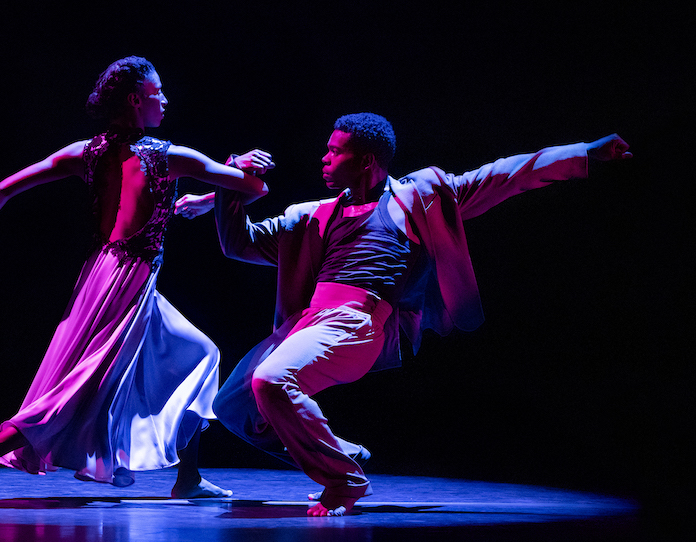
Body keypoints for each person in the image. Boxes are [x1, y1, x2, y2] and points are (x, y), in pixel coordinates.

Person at [176, 112, 631, 516]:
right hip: (307, 323)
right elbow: (239, 243)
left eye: (336, 152)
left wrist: (585, 155)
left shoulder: (418, 199)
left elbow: (504, 175)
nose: (325, 159)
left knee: (271, 380)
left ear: (368, 160)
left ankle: (344, 480)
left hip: (356, 323)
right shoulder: (311, 216)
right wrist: (229, 186)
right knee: (232, 406)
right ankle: (339, 454)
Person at [0, 56, 269, 508]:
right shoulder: (168, 156)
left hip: (100, 275)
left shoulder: (86, 152)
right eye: (158, 93)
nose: (166, 100)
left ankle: (190, 477)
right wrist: (239, 165)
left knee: (199, 354)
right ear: (137, 100)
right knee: (84, 384)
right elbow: (254, 189)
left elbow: (6, 188)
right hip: (131, 280)